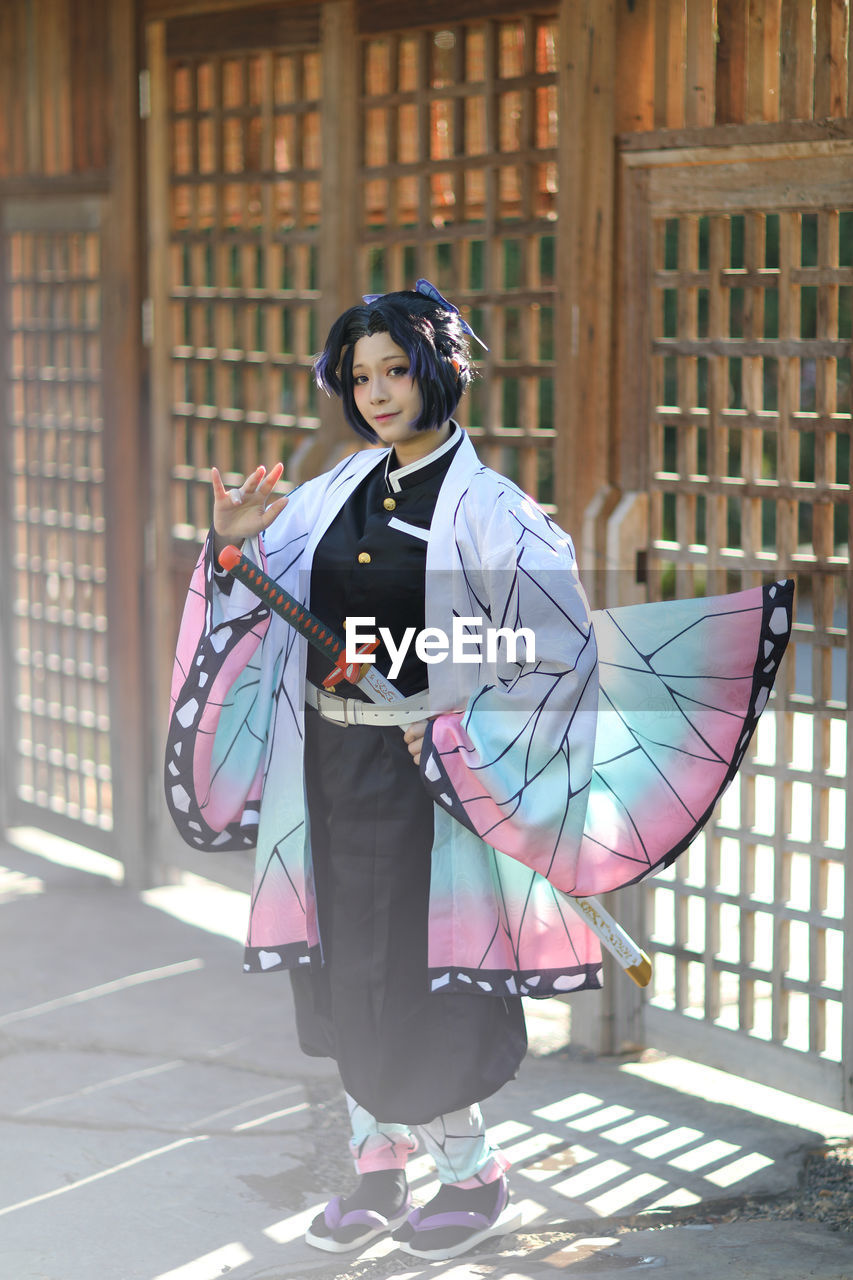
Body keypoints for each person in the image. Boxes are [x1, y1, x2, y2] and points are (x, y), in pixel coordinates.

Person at [165, 281, 792, 1261]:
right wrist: (237, 540)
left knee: (415, 975)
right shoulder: (332, 490)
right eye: (360, 374)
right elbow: (257, 600)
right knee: (340, 963)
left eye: (395, 368)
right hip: (330, 759)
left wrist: (456, 716)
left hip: (434, 776)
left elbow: (556, 653)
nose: (376, 391)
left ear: (438, 369)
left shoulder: (497, 512)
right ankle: (377, 1169)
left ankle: (471, 1172)